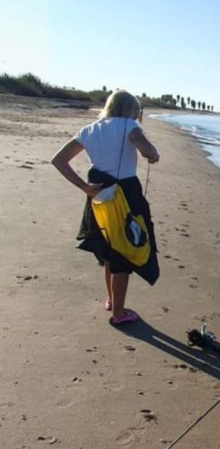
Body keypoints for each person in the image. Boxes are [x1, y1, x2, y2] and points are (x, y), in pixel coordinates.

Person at [52, 89, 160, 326]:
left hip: (99, 195)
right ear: (131, 110)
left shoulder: (90, 129)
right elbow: (147, 150)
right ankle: (119, 314)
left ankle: (112, 300)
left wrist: (83, 186)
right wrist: (153, 154)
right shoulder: (129, 125)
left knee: (108, 248)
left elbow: (59, 160)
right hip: (125, 195)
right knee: (125, 249)